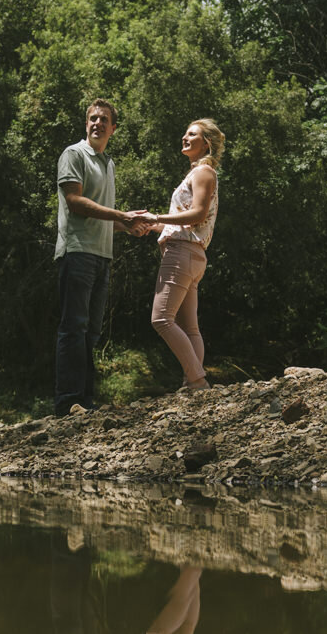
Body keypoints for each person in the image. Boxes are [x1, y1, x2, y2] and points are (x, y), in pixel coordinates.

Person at [53, 99, 142, 417]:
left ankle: (85, 402)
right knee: (73, 328)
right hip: (76, 252)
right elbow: (75, 201)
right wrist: (122, 214)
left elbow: (103, 216)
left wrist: (126, 226)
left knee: (91, 331)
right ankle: (67, 403)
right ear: (86, 124)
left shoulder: (109, 163)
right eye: (93, 118)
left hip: (102, 256)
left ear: (113, 129)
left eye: (104, 119)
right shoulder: (73, 154)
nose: (97, 123)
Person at [133, 119, 223, 392]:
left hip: (182, 254)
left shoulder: (203, 173)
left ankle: (198, 380)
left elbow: (196, 215)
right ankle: (193, 385)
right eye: (185, 132)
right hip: (191, 254)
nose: (185, 137)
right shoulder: (198, 173)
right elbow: (187, 222)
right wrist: (152, 226)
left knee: (160, 319)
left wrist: (157, 216)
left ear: (206, 142)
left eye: (192, 134)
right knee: (189, 326)